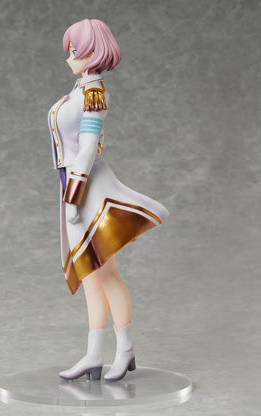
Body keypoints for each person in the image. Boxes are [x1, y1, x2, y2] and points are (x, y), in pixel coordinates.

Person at [47, 19, 169, 382]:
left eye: (75, 50)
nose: (69, 57)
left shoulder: (94, 93)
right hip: (71, 184)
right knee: (89, 274)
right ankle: (93, 354)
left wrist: (73, 197)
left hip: (87, 188)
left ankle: (125, 348)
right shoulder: (79, 90)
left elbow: (87, 149)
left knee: (106, 273)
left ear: (92, 52)